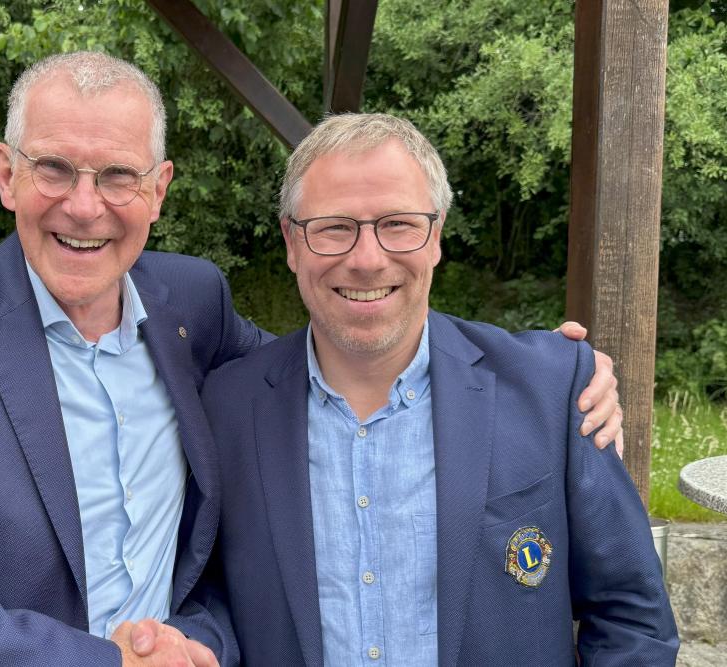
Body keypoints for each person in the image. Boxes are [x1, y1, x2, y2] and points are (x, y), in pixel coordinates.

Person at [0, 51, 622, 666]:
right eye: (53, 168)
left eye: (118, 175)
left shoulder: (192, 305)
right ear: (7, 174)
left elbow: (343, 343)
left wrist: (529, 372)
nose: (84, 205)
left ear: (158, 189)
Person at [197, 113, 677, 666]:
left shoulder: (551, 388)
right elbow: (207, 596)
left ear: (437, 236)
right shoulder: (228, 408)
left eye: (398, 224)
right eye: (333, 227)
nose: (367, 259)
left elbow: (632, 616)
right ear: (291, 242)